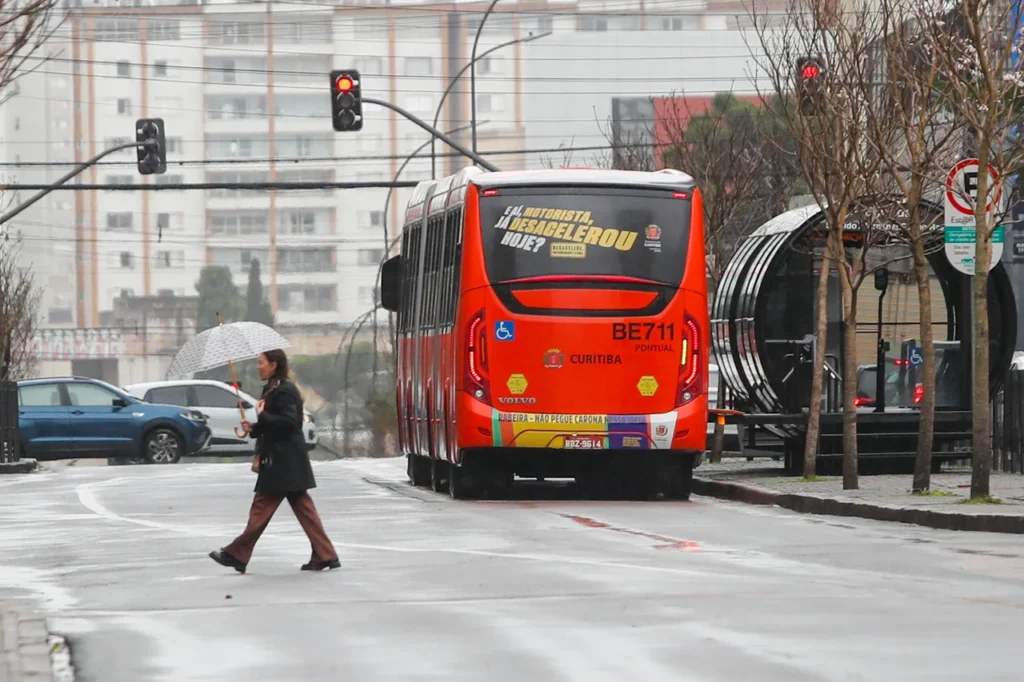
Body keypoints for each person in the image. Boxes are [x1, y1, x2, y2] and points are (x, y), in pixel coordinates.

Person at [209, 349, 340, 573]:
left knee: (261, 508)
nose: (257, 366)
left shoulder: (285, 390)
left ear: (274, 365)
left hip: (282, 462)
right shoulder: (273, 388)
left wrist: (262, 416)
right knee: (304, 509)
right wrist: (255, 427)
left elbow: (289, 422)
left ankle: (236, 553)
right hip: (285, 461)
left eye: (261, 363)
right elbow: (275, 423)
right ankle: (325, 554)